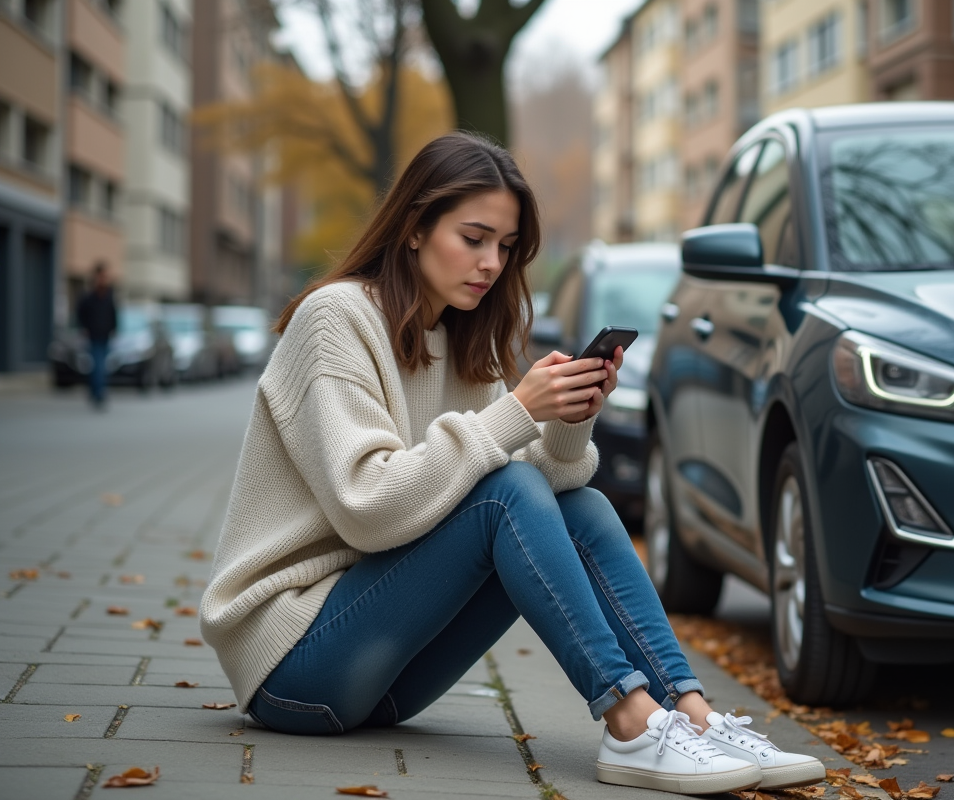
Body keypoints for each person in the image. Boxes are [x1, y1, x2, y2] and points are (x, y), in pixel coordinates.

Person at [199, 132, 823, 795]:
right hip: (294, 666)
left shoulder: (464, 338)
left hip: (387, 679)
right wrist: (517, 411)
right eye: (473, 238)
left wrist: (568, 422)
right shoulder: (336, 319)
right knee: (504, 492)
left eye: (504, 246)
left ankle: (691, 717)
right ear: (414, 226)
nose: (491, 263)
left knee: (580, 504)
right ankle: (631, 721)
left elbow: (547, 497)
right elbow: (369, 509)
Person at [76, 261, 118, 409]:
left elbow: (114, 314)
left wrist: (114, 329)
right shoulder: (89, 296)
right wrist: (84, 328)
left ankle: (95, 391)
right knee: (98, 365)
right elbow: (80, 314)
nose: (104, 279)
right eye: (102, 276)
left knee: (100, 366)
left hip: (106, 335)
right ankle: (99, 393)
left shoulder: (109, 295)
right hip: (93, 336)